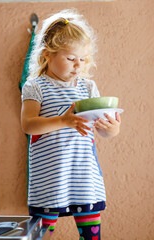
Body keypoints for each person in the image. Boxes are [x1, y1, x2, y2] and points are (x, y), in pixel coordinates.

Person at [20, 9, 121, 240]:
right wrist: (64, 120)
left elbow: (105, 130)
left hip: (84, 175)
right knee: (39, 235)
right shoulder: (35, 87)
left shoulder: (87, 87)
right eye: (70, 58)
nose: (78, 65)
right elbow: (28, 125)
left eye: (83, 59)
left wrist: (112, 129)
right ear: (47, 54)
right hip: (50, 177)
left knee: (92, 235)